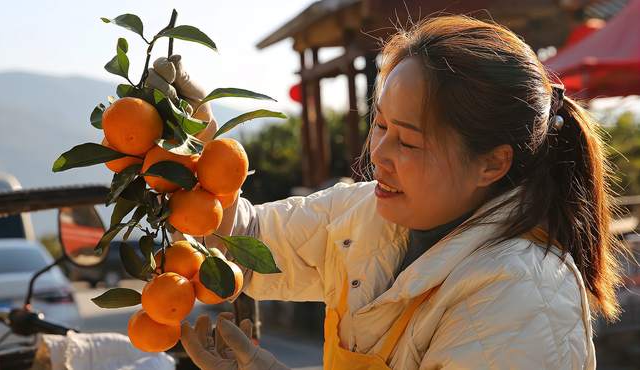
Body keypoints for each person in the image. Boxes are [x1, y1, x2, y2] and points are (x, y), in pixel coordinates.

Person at [147, 15, 625, 370]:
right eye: (379, 124)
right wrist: (196, 158)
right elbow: (244, 243)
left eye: (409, 140)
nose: (379, 153)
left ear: (492, 162)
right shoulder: (367, 216)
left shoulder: (522, 296)